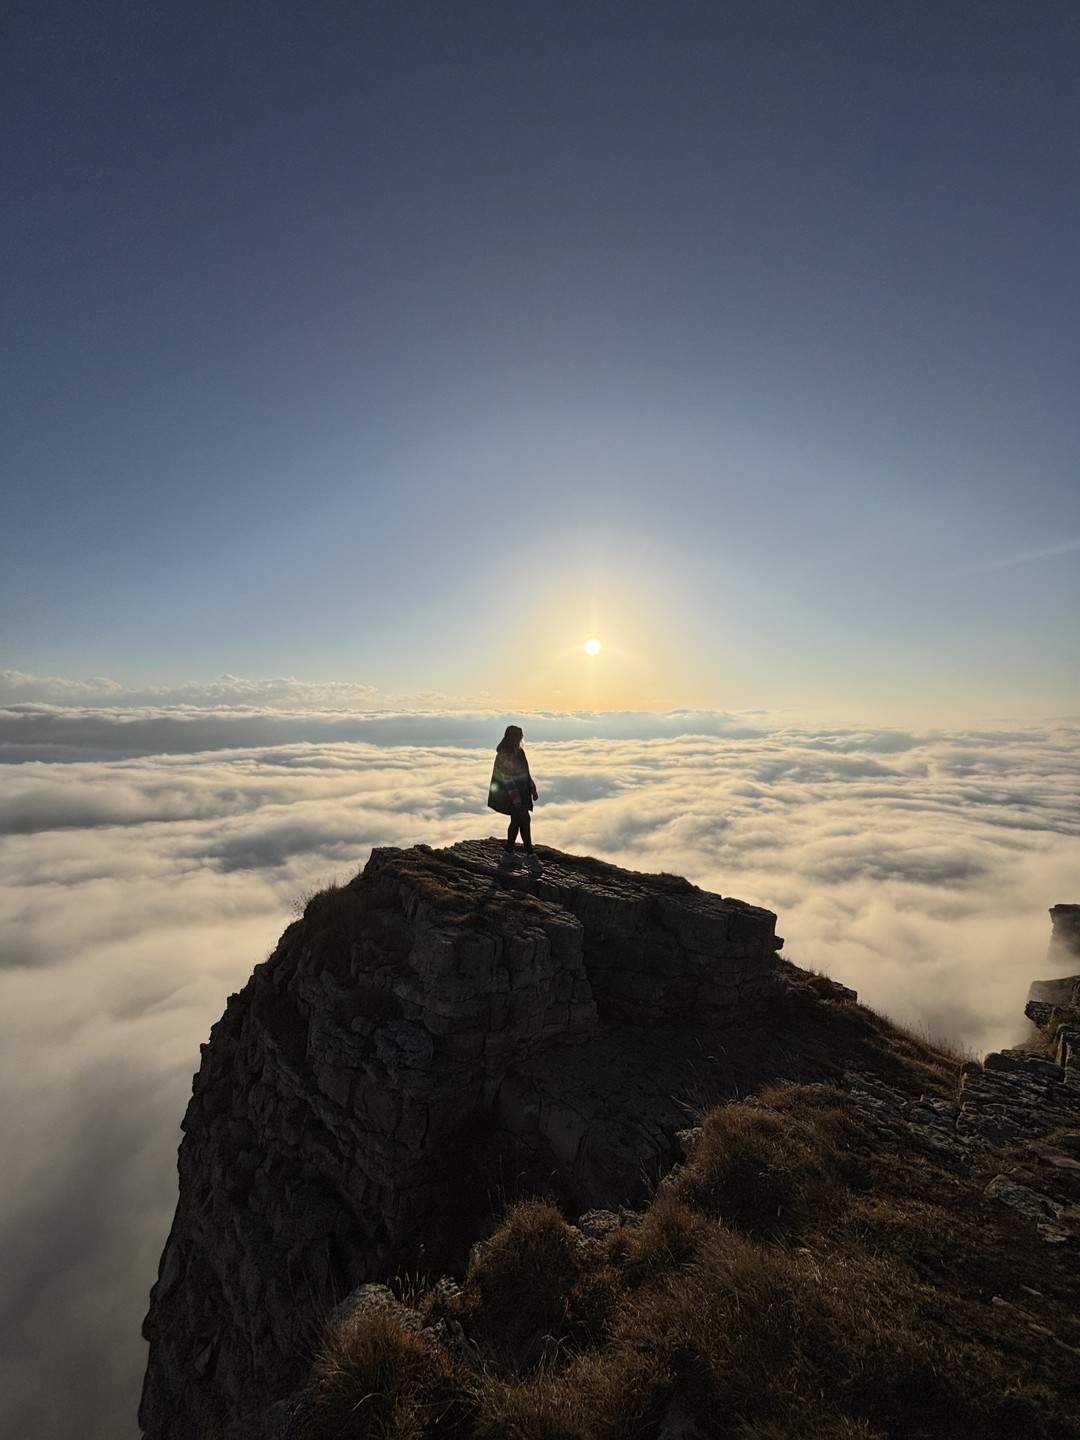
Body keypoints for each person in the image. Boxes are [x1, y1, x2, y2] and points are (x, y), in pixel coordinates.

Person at [487, 724, 541, 871]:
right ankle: (530, 855)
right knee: (523, 820)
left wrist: (532, 789)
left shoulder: (518, 752)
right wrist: (517, 800)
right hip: (513, 796)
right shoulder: (504, 755)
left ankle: (509, 853)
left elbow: (525, 773)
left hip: (521, 794)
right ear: (513, 737)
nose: (521, 738)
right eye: (519, 735)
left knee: (517, 821)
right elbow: (508, 780)